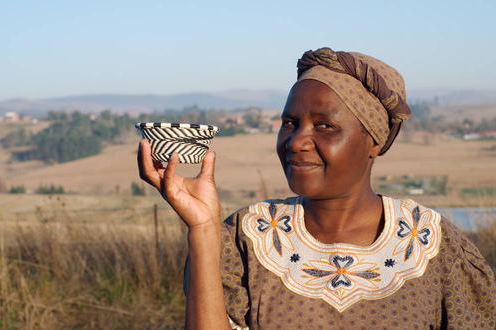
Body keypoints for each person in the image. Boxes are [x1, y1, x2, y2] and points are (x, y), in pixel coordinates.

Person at [138, 47, 496, 329]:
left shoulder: (432, 244)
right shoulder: (244, 239)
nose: (296, 141)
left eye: (324, 126)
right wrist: (202, 229)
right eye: (290, 123)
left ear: (375, 141)